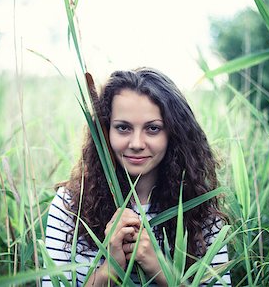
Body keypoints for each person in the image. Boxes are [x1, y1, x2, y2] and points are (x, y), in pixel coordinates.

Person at [42, 67, 231, 286]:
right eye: (123, 128)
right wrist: (110, 267)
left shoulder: (201, 211)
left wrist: (160, 269)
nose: (137, 144)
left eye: (152, 129)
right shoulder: (70, 205)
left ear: (173, 133)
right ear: (105, 131)